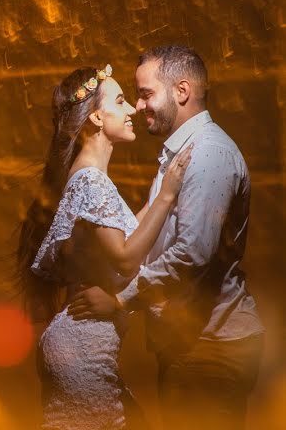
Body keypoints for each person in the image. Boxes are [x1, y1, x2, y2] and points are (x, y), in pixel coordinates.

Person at [68, 46, 265, 430]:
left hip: (211, 347)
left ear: (182, 90)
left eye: (145, 94)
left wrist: (120, 302)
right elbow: (143, 237)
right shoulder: (179, 155)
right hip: (190, 347)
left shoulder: (207, 154)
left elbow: (192, 255)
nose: (139, 107)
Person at [17, 63, 192, 429]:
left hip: (77, 344)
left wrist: (162, 186)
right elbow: (127, 258)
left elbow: (126, 235)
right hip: (83, 348)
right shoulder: (91, 182)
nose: (132, 110)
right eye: (121, 101)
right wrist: (167, 197)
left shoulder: (88, 178)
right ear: (97, 117)